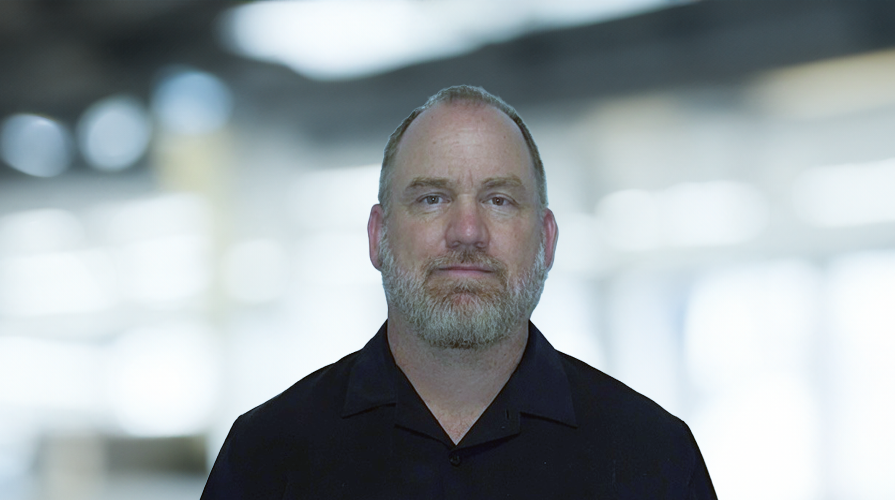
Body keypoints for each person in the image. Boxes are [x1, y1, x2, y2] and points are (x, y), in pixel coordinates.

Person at [200, 85, 716, 499]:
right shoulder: (266, 456)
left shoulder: (655, 458)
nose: (467, 231)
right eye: (431, 198)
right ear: (379, 236)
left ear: (547, 240)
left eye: (499, 200)